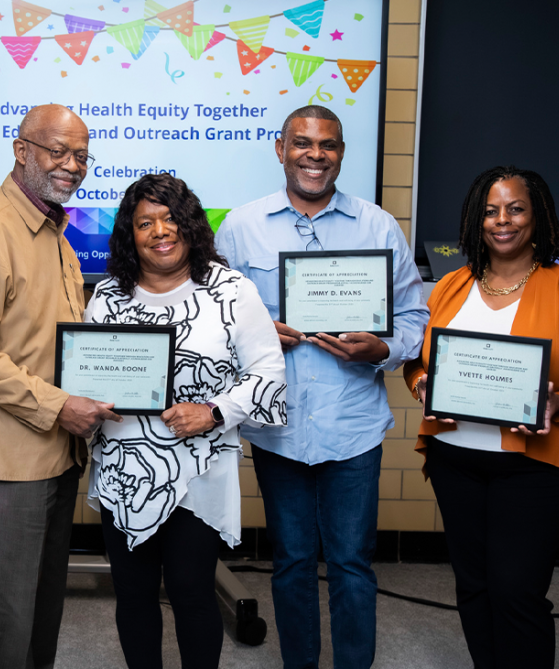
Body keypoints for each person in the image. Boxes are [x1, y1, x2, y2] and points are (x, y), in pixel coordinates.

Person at [214, 105, 429, 669]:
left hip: (351, 425)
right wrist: (257, 337)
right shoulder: (240, 227)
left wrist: (383, 349)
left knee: (353, 563)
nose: (316, 155)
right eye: (303, 143)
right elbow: (213, 323)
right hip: (277, 426)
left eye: (328, 145)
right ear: (280, 148)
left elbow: (415, 316)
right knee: (290, 561)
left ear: (340, 154)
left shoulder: (377, 225)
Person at [403, 166, 559, 669]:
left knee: (516, 591)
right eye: (489, 210)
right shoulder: (448, 288)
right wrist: (421, 384)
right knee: (474, 586)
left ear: (538, 215)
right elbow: (417, 361)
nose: (501, 220)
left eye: (515, 208)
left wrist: (557, 403)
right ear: (474, 220)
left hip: (539, 468)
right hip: (456, 459)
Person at [0, 104, 122, 669]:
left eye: (81, 156)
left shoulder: (55, 233)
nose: (71, 166)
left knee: (44, 605)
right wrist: (58, 404)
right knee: (8, 616)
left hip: (58, 452)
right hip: (11, 459)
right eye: (57, 151)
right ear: (22, 151)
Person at [86, 173, 286, 668]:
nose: (160, 231)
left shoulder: (230, 290)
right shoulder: (108, 297)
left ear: (191, 224)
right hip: (124, 472)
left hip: (199, 471)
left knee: (193, 594)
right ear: (129, 235)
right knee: (132, 596)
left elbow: (268, 371)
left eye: (171, 218)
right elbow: (85, 374)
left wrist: (214, 411)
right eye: (145, 222)